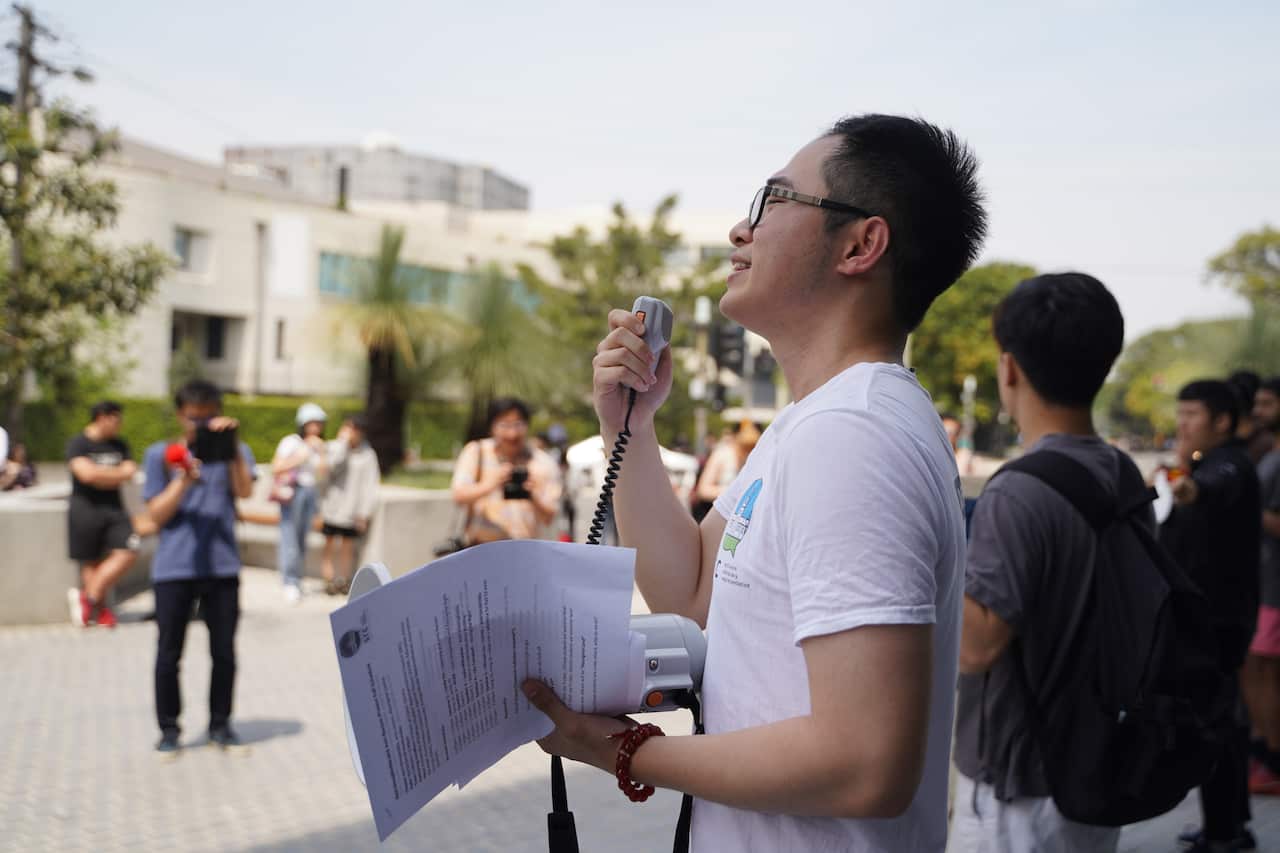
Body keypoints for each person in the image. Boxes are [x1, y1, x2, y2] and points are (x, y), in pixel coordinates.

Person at [519, 114, 987, 851]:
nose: (742, 229)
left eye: (771, 201)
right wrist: (627, 429)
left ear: (862, 244)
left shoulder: (852, 434)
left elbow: (866, 763)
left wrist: (621, 750)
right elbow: (694, 591)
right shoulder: (815, 421)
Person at [948, 273, 1136, 852]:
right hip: (1092, 759)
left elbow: (977, 647)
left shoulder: (1018, 491)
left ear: (1009, 370)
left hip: (1020, 781)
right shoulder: (1122, 473)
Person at [1160, 379, 1261, 852]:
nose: (1182, 426)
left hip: (1219, 621)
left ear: (1222, 421)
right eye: (1179, 415)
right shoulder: (1205, 463)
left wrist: (1190, 488)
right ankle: (1227, 825)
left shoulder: (1231, 465)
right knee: (1222, 722)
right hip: (1213, 617)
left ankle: (1226, 833)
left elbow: (1213, 488)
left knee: (1214, 724)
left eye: (1192, 416)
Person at [142, 380, 255, 755]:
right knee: (168, 654)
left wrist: (233, 447)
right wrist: (183, 482)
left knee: (224, 651)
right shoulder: (161, 454)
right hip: (174, 568)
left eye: (209, 418)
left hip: (223, 567)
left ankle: (220, 726)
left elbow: (244, 492)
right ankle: (169, 730)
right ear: (181, 415)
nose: (202, 425)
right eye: (195, 418)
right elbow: (155, 515)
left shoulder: (235, 451)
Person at [65, 401, 140, 628]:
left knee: (128, 549)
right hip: (85, 509)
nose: (119, 425)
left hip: (114, 509)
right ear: (101, 417)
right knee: (90, 560)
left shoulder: (119, 444)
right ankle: (99, 610)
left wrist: (100, 474)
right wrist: (114, 474)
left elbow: (130, 472)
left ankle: (88, 597)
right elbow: (85, 475)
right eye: (115, 419)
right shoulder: (78, 443)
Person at [450, 398, 562, 543]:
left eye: (518, 424)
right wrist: (491, 484)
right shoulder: (477, 452)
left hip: (526, 552)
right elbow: (458, 495)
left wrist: (533, 495)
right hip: (481, 551)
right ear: (492, 427)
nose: (512, 433)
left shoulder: (543, 462)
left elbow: (550, 517)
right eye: (504, 425)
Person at [1245, 376, 1280, 793]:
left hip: (1274, 588)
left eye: (1268, 404)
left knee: (1264, 673)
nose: (1258, 411)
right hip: (1264, 583)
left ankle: (1271, 760)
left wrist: (1246, 510)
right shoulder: (1269, 455)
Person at [271, 402, 329, 603]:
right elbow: (276, 467)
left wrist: (320, 452)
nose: (315, 427)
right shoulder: (291, 442)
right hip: (293, 492)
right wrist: (302, 455)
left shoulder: (319, 445)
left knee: (302, 539)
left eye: (318, 423)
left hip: (310, 493)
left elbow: (322, 474)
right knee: (289, 537)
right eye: (311, 423)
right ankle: (289, 581)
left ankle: (297, 578)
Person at [320, 414, 380, 595]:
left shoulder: (368, 454)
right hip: (332, 507)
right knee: (329, 546)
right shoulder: (334, 447)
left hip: (352, 511)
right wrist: (343, 445)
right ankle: (328, 581)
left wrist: (364, 513)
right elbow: (330, 468)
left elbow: (370, 485)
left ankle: (344, 581)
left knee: (347, 548)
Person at [690, 419, 760, 522]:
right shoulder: (721, 454)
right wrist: (734, 492)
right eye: (745, 447)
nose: (747, 451)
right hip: (711, 513)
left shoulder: (750, 459)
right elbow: (703, 489)